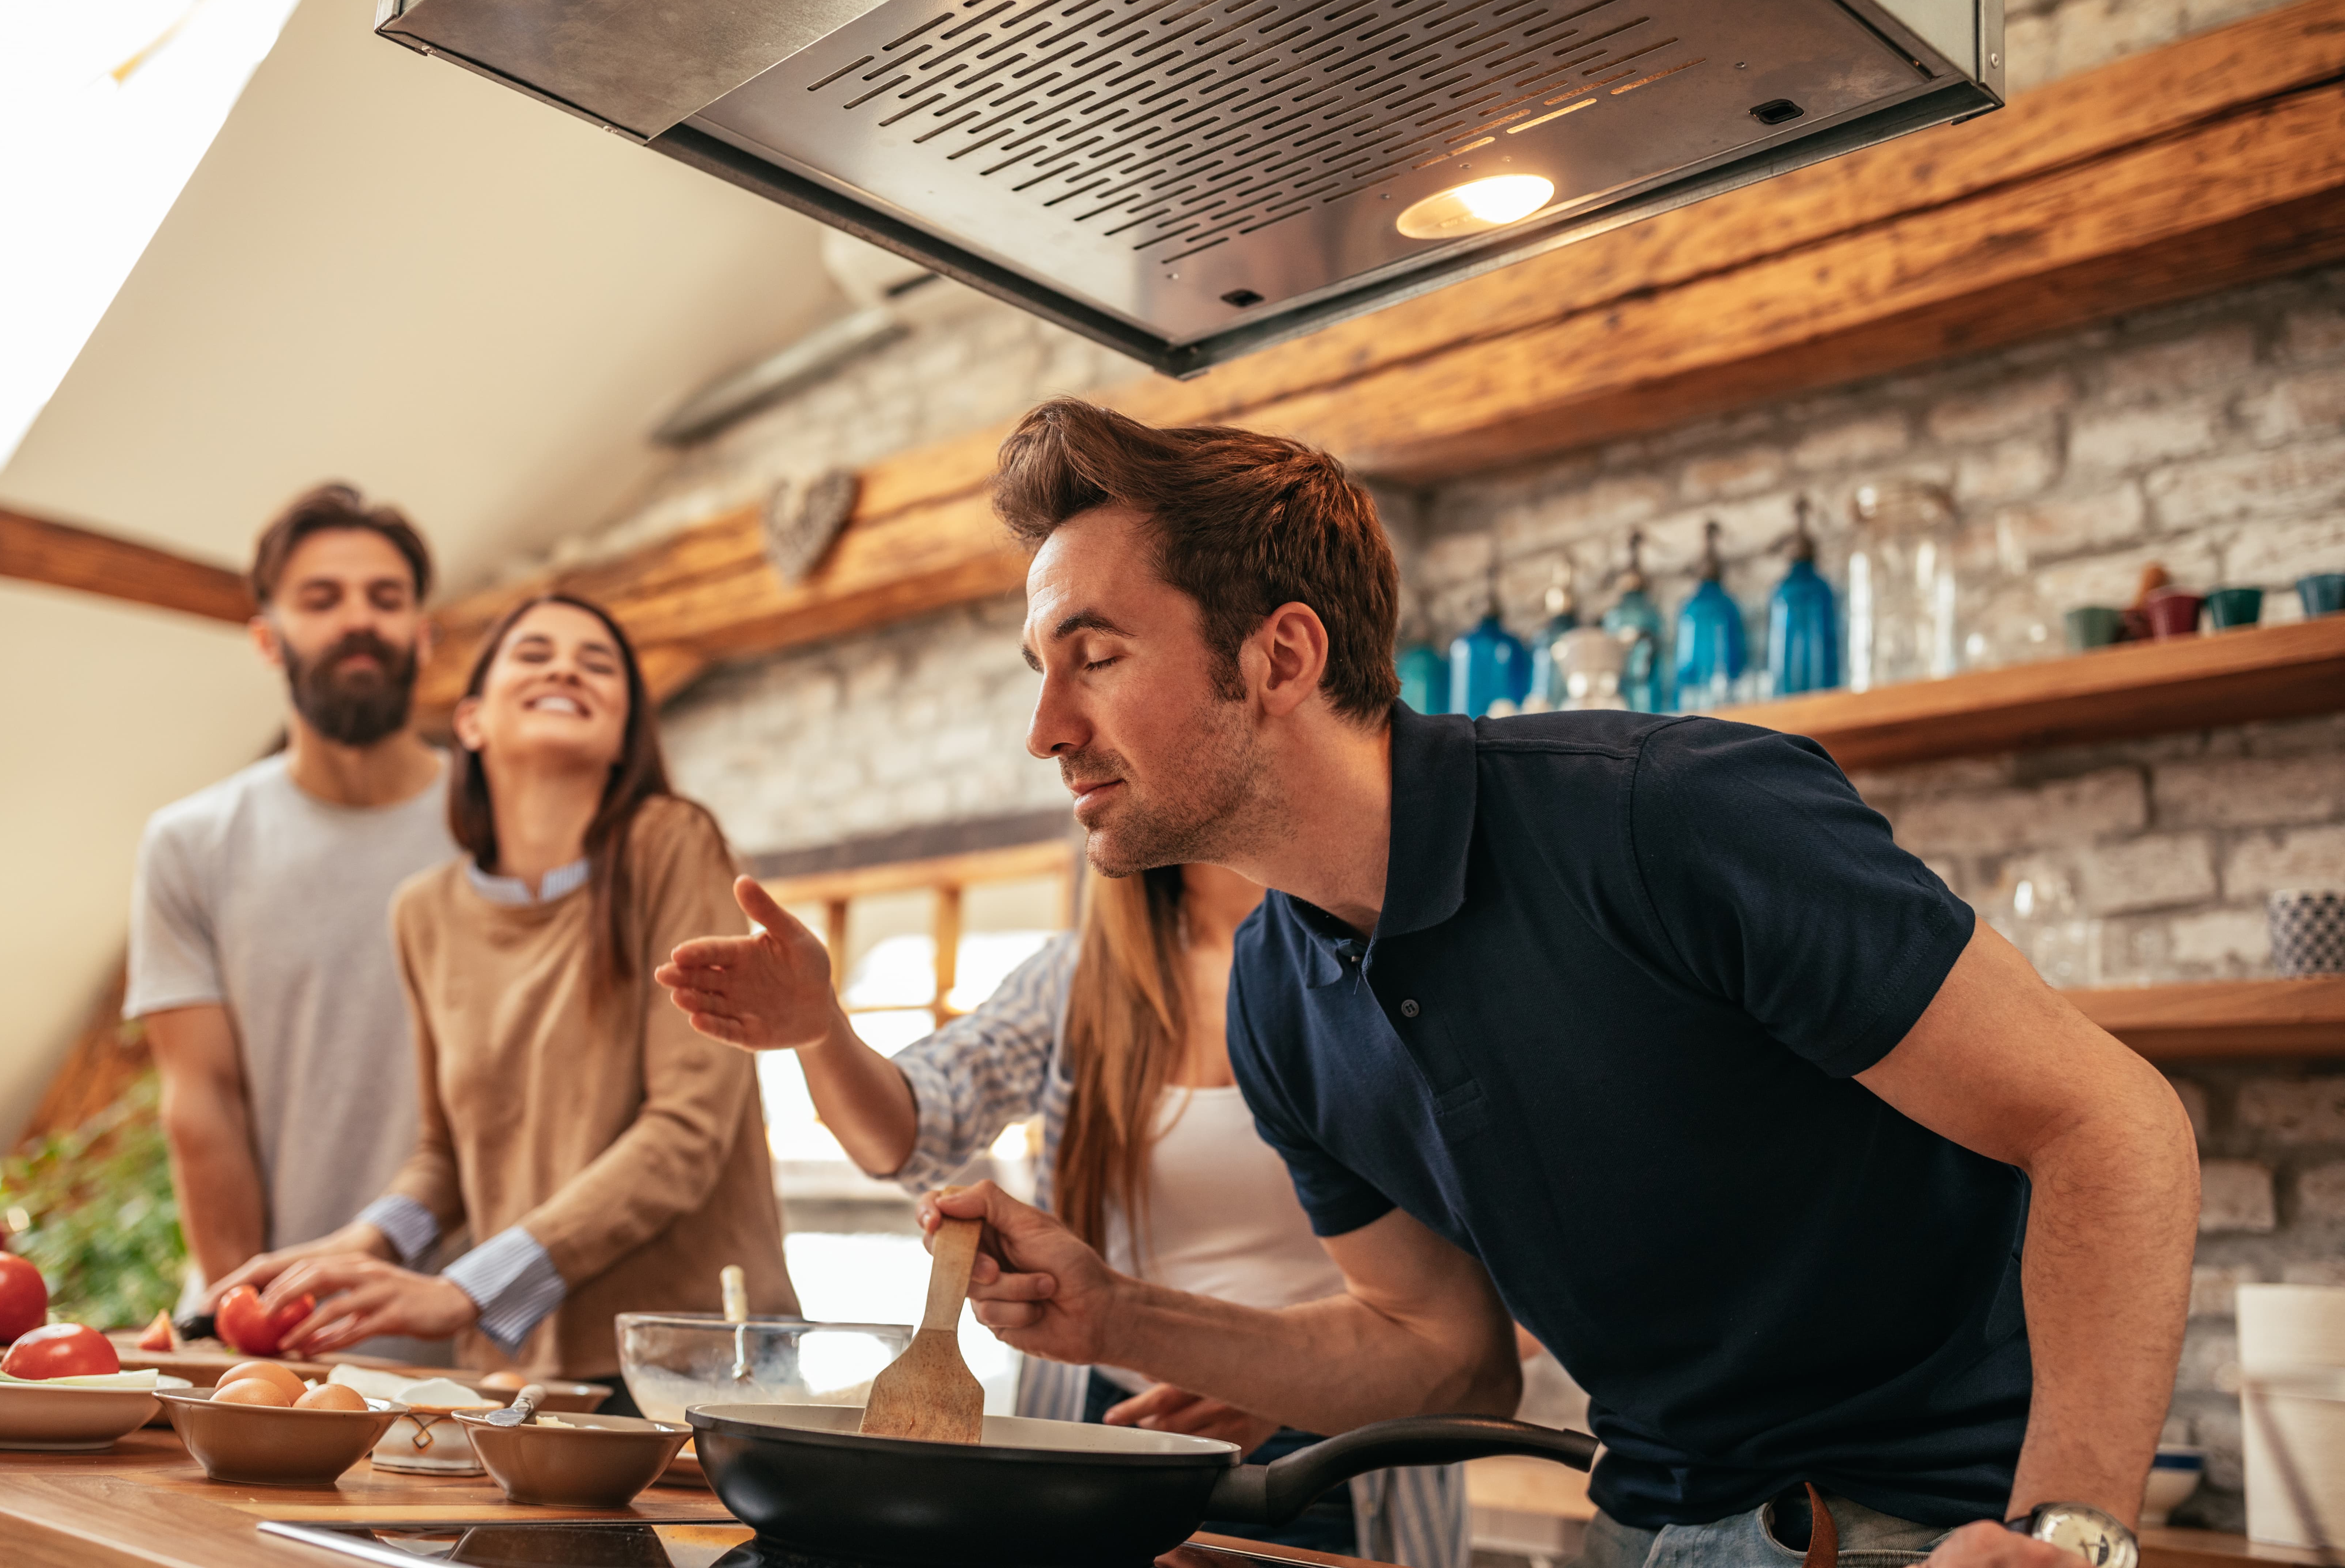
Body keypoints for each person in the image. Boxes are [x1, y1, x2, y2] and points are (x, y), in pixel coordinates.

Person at [659, 401, 2201, 1568]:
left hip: (1936, 1527)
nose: (1045, 725)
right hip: (1659, 1530)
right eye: (1037, 668)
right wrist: (1113, 1308)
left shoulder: (1667, 815)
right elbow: (1437, 1350)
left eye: (1096, 654)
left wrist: (2071, 1531)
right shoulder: (1280, 984)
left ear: (1280, 655)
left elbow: (2112, 1122)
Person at [666, 862, 1470, 1568]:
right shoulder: (1077, 977)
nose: (1057, 738)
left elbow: (1504, 1288)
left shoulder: (1392, 962)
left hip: (1344, 1449)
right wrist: (822, 1030)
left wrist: (1279, 1380)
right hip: (1106, 1438)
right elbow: (914, 1130)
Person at [215, 594, 795, 1394]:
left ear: (627, 731)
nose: (565, 668)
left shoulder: (672, 843)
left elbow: (686, 1131)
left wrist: (466, 1290)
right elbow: (445, 1155)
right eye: (534, 654)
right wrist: (366, 1240)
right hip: (515, 1374)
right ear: (472, 721)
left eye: (598, 664)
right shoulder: (424, 911)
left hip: (699, 1362)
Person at [129, 485, 456, 1342]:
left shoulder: (510, 828)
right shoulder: (191, 841)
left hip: (486, 1333)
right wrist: (252, 1318)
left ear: (423, 634)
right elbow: (203, 1099)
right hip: (292, 1333)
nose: (359, 619)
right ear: (268, 638)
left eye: (386, 598)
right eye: (323, 598)